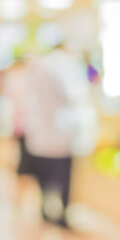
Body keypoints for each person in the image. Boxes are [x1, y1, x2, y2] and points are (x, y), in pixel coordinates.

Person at [24, 44, 96, 227]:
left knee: (46, 175)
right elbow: (74, 95)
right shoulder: (65, 66)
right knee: (60, 175)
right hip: (59, 132)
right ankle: (60, 213)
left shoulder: (40, 67)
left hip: (46, 131)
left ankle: (48, 210)